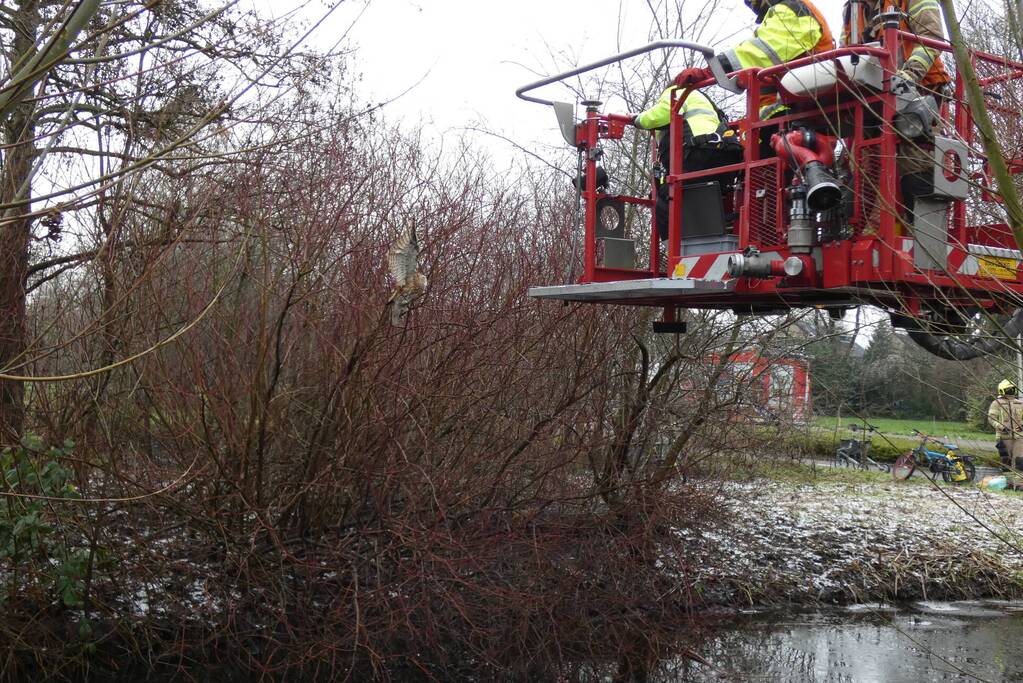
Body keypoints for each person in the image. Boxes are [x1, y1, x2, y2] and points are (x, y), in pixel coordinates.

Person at [842, 0, 953, 225]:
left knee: (916, 160)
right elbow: (846, 54)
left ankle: (924, 234)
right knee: (861, 165)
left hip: (919, 89)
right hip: (871, 97)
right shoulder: (852, 9)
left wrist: (909, 74)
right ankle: (856, 230)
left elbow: (931, 39)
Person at [673, 0, 834, 120]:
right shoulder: (782, 13)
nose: (750, 4)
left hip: (801, 110)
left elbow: (762, 52)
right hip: (785, 113)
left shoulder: (793, 9)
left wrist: (713, 70)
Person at [629, 86, 743, 242]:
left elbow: (662, 113)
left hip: (701, 153)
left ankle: (674, 249)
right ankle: (712, 239)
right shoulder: (703, 100)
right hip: (727, 157)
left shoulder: (675, 91)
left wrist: (637, 119)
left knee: (666, 199)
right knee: (702, 195)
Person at [987, 379, 1023, 471]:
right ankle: (1007, 478)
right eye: (1008, 389)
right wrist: (1002, 427)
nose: (1010, 391)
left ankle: (1018, 479)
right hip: (1004, 437)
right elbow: (991, 418)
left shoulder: (1020, 403)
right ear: (1002, 390)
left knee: (1020, 461)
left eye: (1012, 389)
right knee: (1006, 461)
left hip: (1019, 437)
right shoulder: (996, 403)